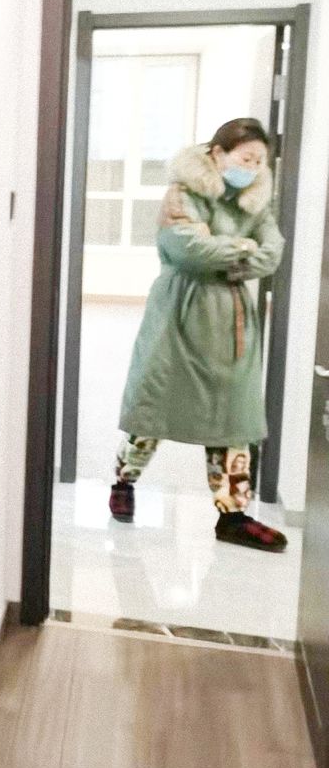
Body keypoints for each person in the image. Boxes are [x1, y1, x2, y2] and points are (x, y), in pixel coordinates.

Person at [108, 116, 287, 550]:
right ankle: (124, 482)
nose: (253, 167)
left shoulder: (255, 201)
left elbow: (272, 252)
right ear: (218, 153)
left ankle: (233, 515)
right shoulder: (182, 193)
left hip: (232, 319)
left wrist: (226, 251)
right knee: (155, 404)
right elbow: (187, 250)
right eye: (246, 158)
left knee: (232, 417)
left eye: (259, 161)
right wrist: (243, 247)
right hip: (180, 312)